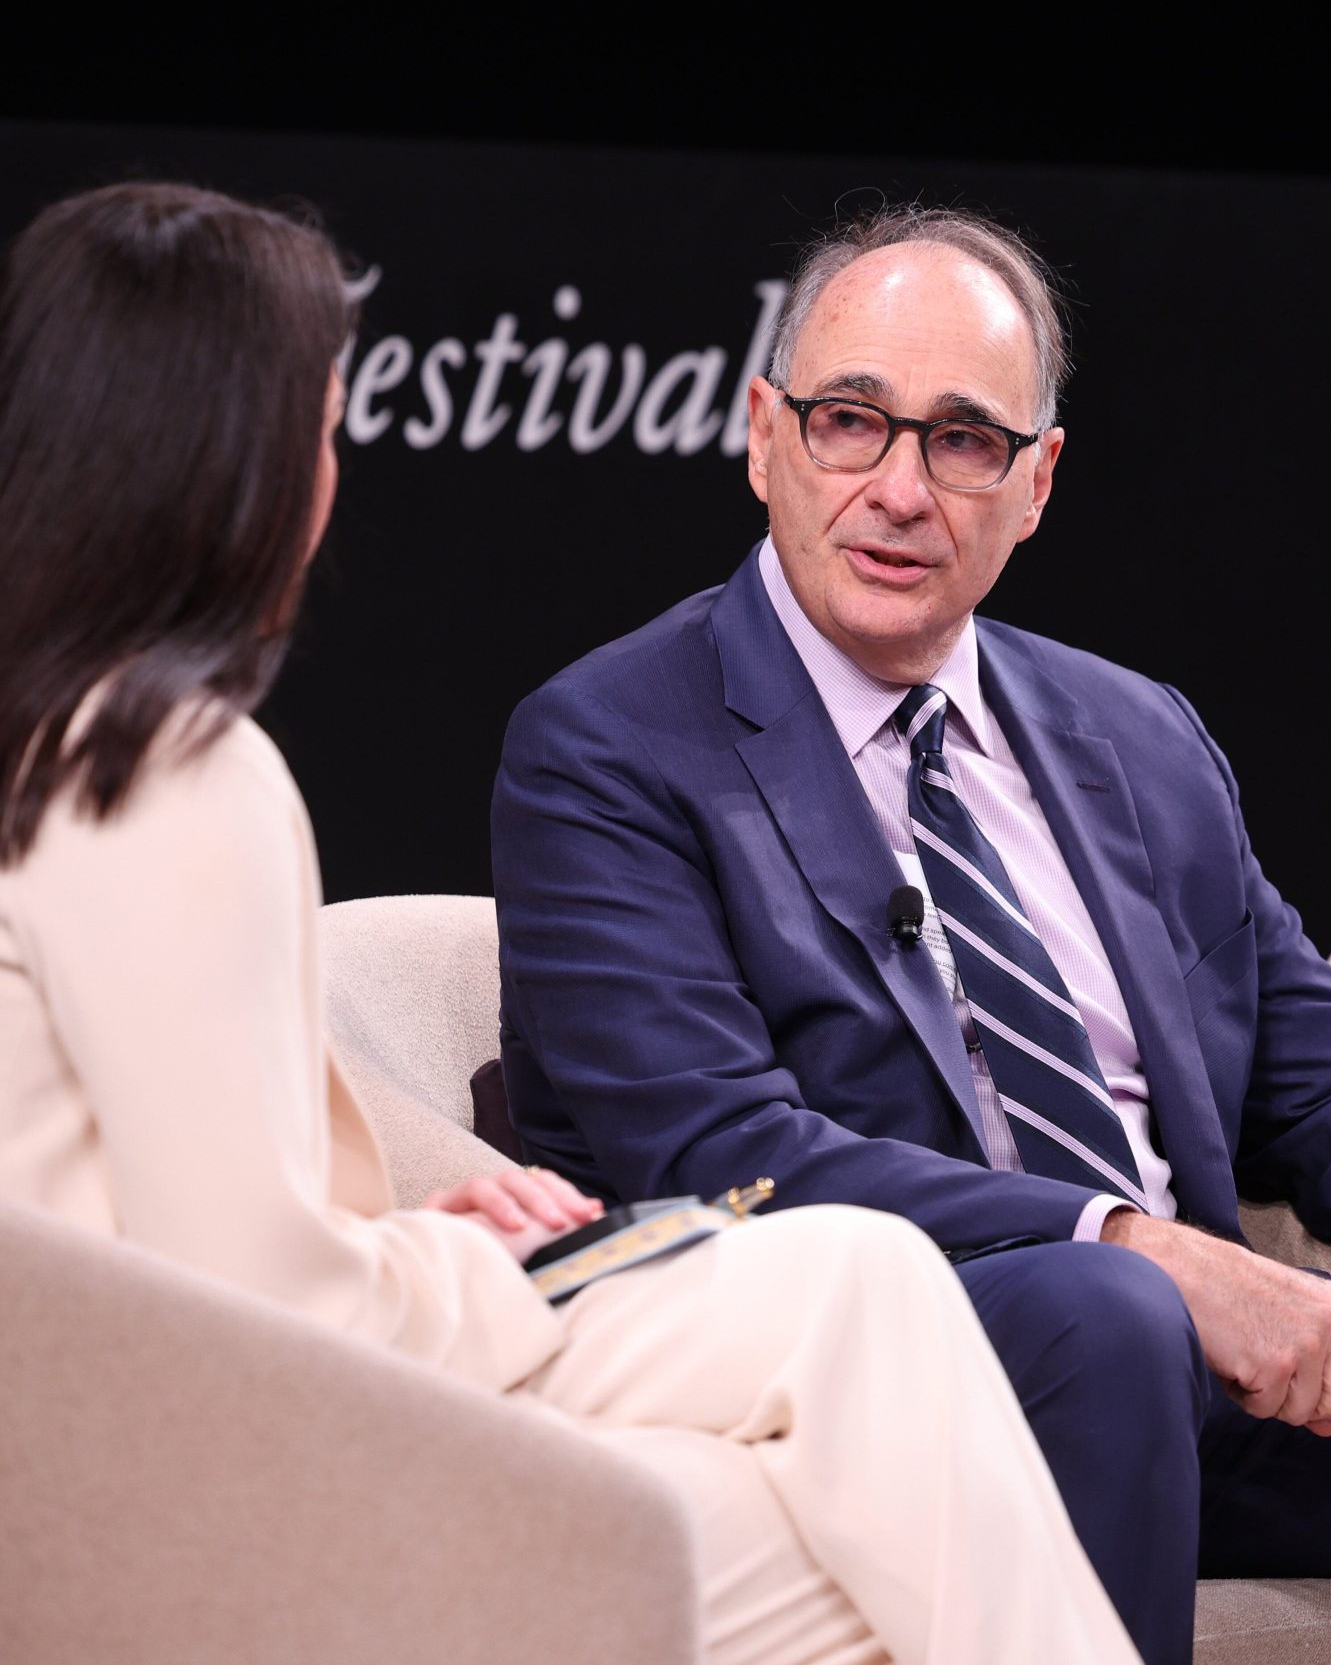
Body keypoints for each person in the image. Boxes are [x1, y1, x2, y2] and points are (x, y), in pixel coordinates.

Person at [489, 204, 1331, 1665]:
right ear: (765, 436)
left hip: (1198, 1382)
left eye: (964, 442)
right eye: (851, 423)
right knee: (1108, 1310)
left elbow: (1322, 1081)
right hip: (888, 1386)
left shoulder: (1137, 737)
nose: (900, 490)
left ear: (1037, 483)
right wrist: (1132, 1245)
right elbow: (720, 1153)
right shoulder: (611, 745)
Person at [0, 182, 1140, 1665]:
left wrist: (384, 1230)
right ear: (235, 469)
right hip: (189, 1491)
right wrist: (470, 1270)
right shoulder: (159, 767)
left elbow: (143, 1210)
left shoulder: (59, 744)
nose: (328, 483)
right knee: (860, 1464)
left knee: (863, 1320)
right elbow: (253, 1311)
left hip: (118, 1419)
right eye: (323, 432)